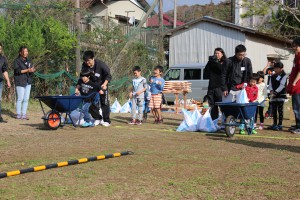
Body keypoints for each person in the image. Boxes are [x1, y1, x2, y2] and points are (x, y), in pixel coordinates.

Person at [81, 50, 112, 127]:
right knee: (90, 103)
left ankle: (106, 120)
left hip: (102, 85)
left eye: (89, 60)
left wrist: (105, 84)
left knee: (104, 102)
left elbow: (108, 75)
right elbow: (82, 75)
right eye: (85, 61)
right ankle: (97, 118)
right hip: (91, 87)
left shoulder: (101, 64)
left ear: (93, 58)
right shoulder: (84, 65)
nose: (87, 62)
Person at [204, 47, 227, 120]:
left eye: (218, 53)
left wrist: (216, 62)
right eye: (215, 53)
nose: (216, 55)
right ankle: (214, 121)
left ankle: (225, 121)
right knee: (212, 105)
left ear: (222, 54)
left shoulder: (225, 62)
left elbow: (222, 70)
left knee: (221, 105)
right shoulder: (212, 62)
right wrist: (210, 62)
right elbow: (205, 73)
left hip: (220, 87)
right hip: (211, 86)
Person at [13, 46, 36, 120]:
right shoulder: (17, 61)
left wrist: (32, 70)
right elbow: (17, 71)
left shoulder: (29, 61)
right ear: (20, 52)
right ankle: (18, 114)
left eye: (27, 51)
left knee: (26, 99)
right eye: (24, 51)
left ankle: (24, 114)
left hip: (28, 81)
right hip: (20, 81)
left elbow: (30, 70)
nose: (26, 52)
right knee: (20, 98)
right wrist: (27, 70)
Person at [267, 62, 288, 131]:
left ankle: (280, 124)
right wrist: (271, 91)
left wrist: (276, 91)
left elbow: (282, 85)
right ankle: (275, 124)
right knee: (274, 110)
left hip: (281, 95)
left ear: (281, 69)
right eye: (275, 68)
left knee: (280, 110)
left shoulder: (284, 76)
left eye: (277, 68)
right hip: (273, 95)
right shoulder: (272, 76)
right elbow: (270, 84)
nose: (276, 69)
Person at [287, 38, 300, 134]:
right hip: (295, 87)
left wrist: (294, 82)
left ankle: (299, 126)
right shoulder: (297, 56)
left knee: (298, 107)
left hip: (298, 87)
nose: (293, 48)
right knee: (295, 106)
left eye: (295, 46)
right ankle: (297, 124)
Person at [0, 43, 11, 123]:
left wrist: (8, 80)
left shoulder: (3, 58)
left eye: (0, 49)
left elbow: (4, 71)